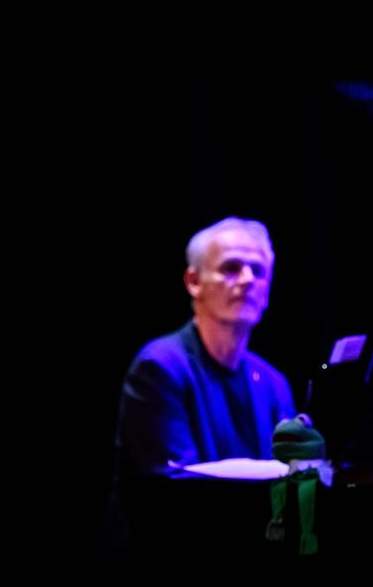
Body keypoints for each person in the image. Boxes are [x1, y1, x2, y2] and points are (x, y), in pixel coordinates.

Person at [112, 216, 299, 551]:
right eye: (231, 268)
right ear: (194, 281)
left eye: (258, 271)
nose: (247, 279)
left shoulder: (274, 383)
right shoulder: (159, 367)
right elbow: (177, 497)